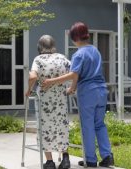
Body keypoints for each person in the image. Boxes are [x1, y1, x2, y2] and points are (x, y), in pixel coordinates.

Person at [42, 22, 114, 168]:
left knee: (87, 126)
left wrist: (51, 81)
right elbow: (77, 77)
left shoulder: (78, 54)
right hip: (101, 90)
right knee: (99, 124)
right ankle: (107, 156)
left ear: (74, 37)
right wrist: (73, 88)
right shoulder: (95, 50)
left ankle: (91, 160)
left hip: (88, 93)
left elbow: (74, 74)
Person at [25, 35, 71, 169]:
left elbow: (33, 76)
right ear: (53, 46)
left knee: (44, 129)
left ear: (40, 47)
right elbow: (76, 72)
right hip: (60, 99)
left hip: (44, 100)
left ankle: (50, 162)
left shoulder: (38, 59)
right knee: (61, 127)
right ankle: (65, 159)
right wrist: (72, 87)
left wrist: (29, 90)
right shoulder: (62, 58)